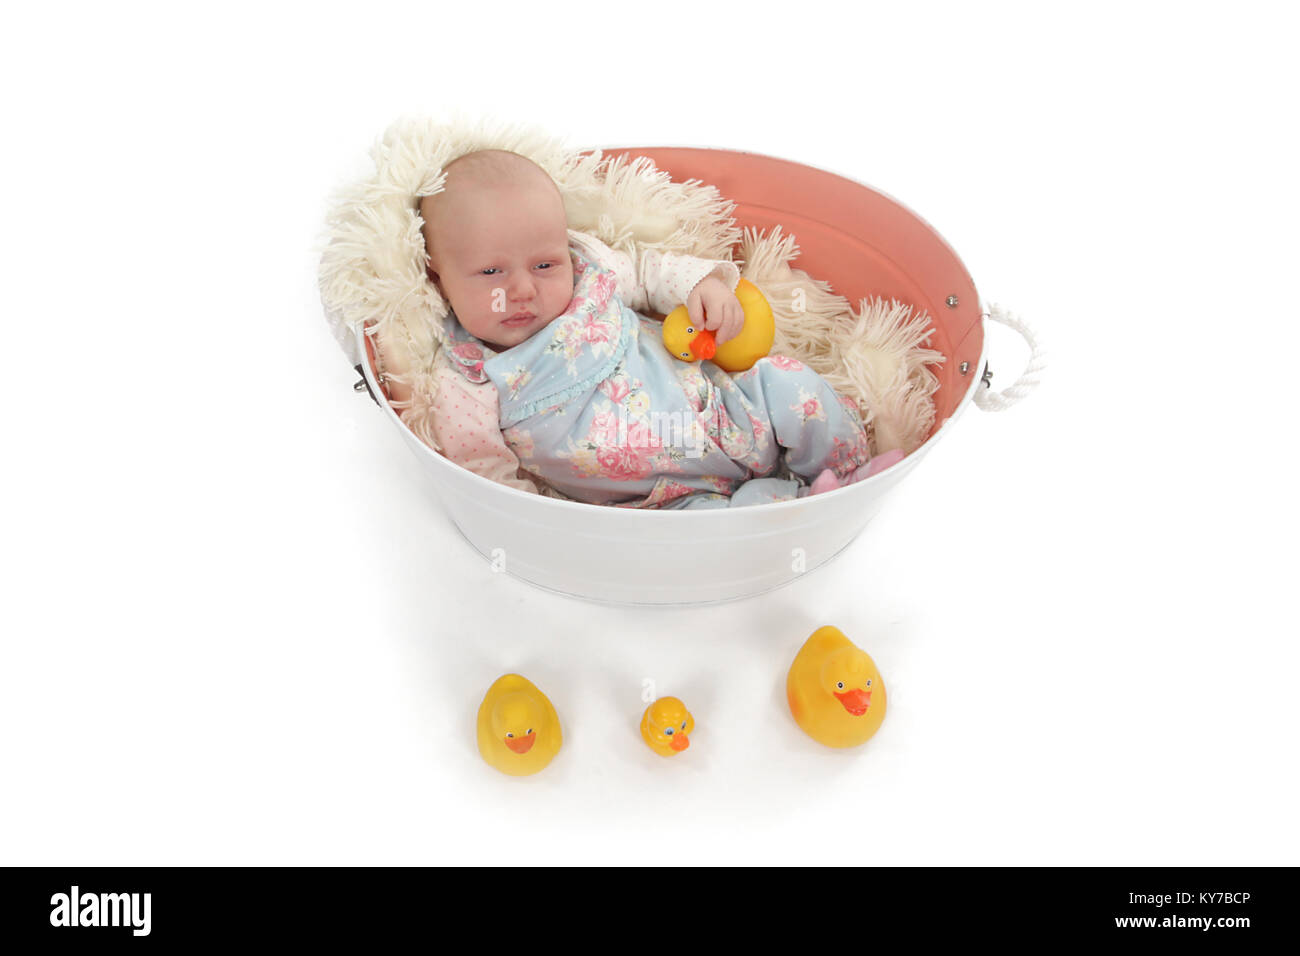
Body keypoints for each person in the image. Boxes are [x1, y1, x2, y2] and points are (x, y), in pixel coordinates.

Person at [378, 149, 897, 509]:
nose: (522, 291)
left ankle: (850, 476)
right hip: (659, 500)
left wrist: (702, 286)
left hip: (727, 413)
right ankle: (795, 508)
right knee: (714, 535)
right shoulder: (468, 379)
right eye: (491, 273)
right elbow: (489, 477)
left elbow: (649, 271)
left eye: (544, 265)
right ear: (437, 275)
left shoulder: (589, 271)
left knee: (790, 384)